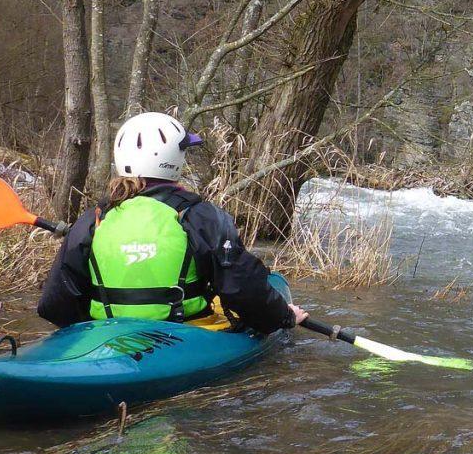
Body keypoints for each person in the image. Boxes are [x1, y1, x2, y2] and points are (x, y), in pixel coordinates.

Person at [37, 112, 307, 334]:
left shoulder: (94, 219)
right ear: (175, 160)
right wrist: (283, 317)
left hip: (106, 335)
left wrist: (95, 335)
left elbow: (53, 305)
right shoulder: (202, 216)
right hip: (185, 336)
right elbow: (243, 290)